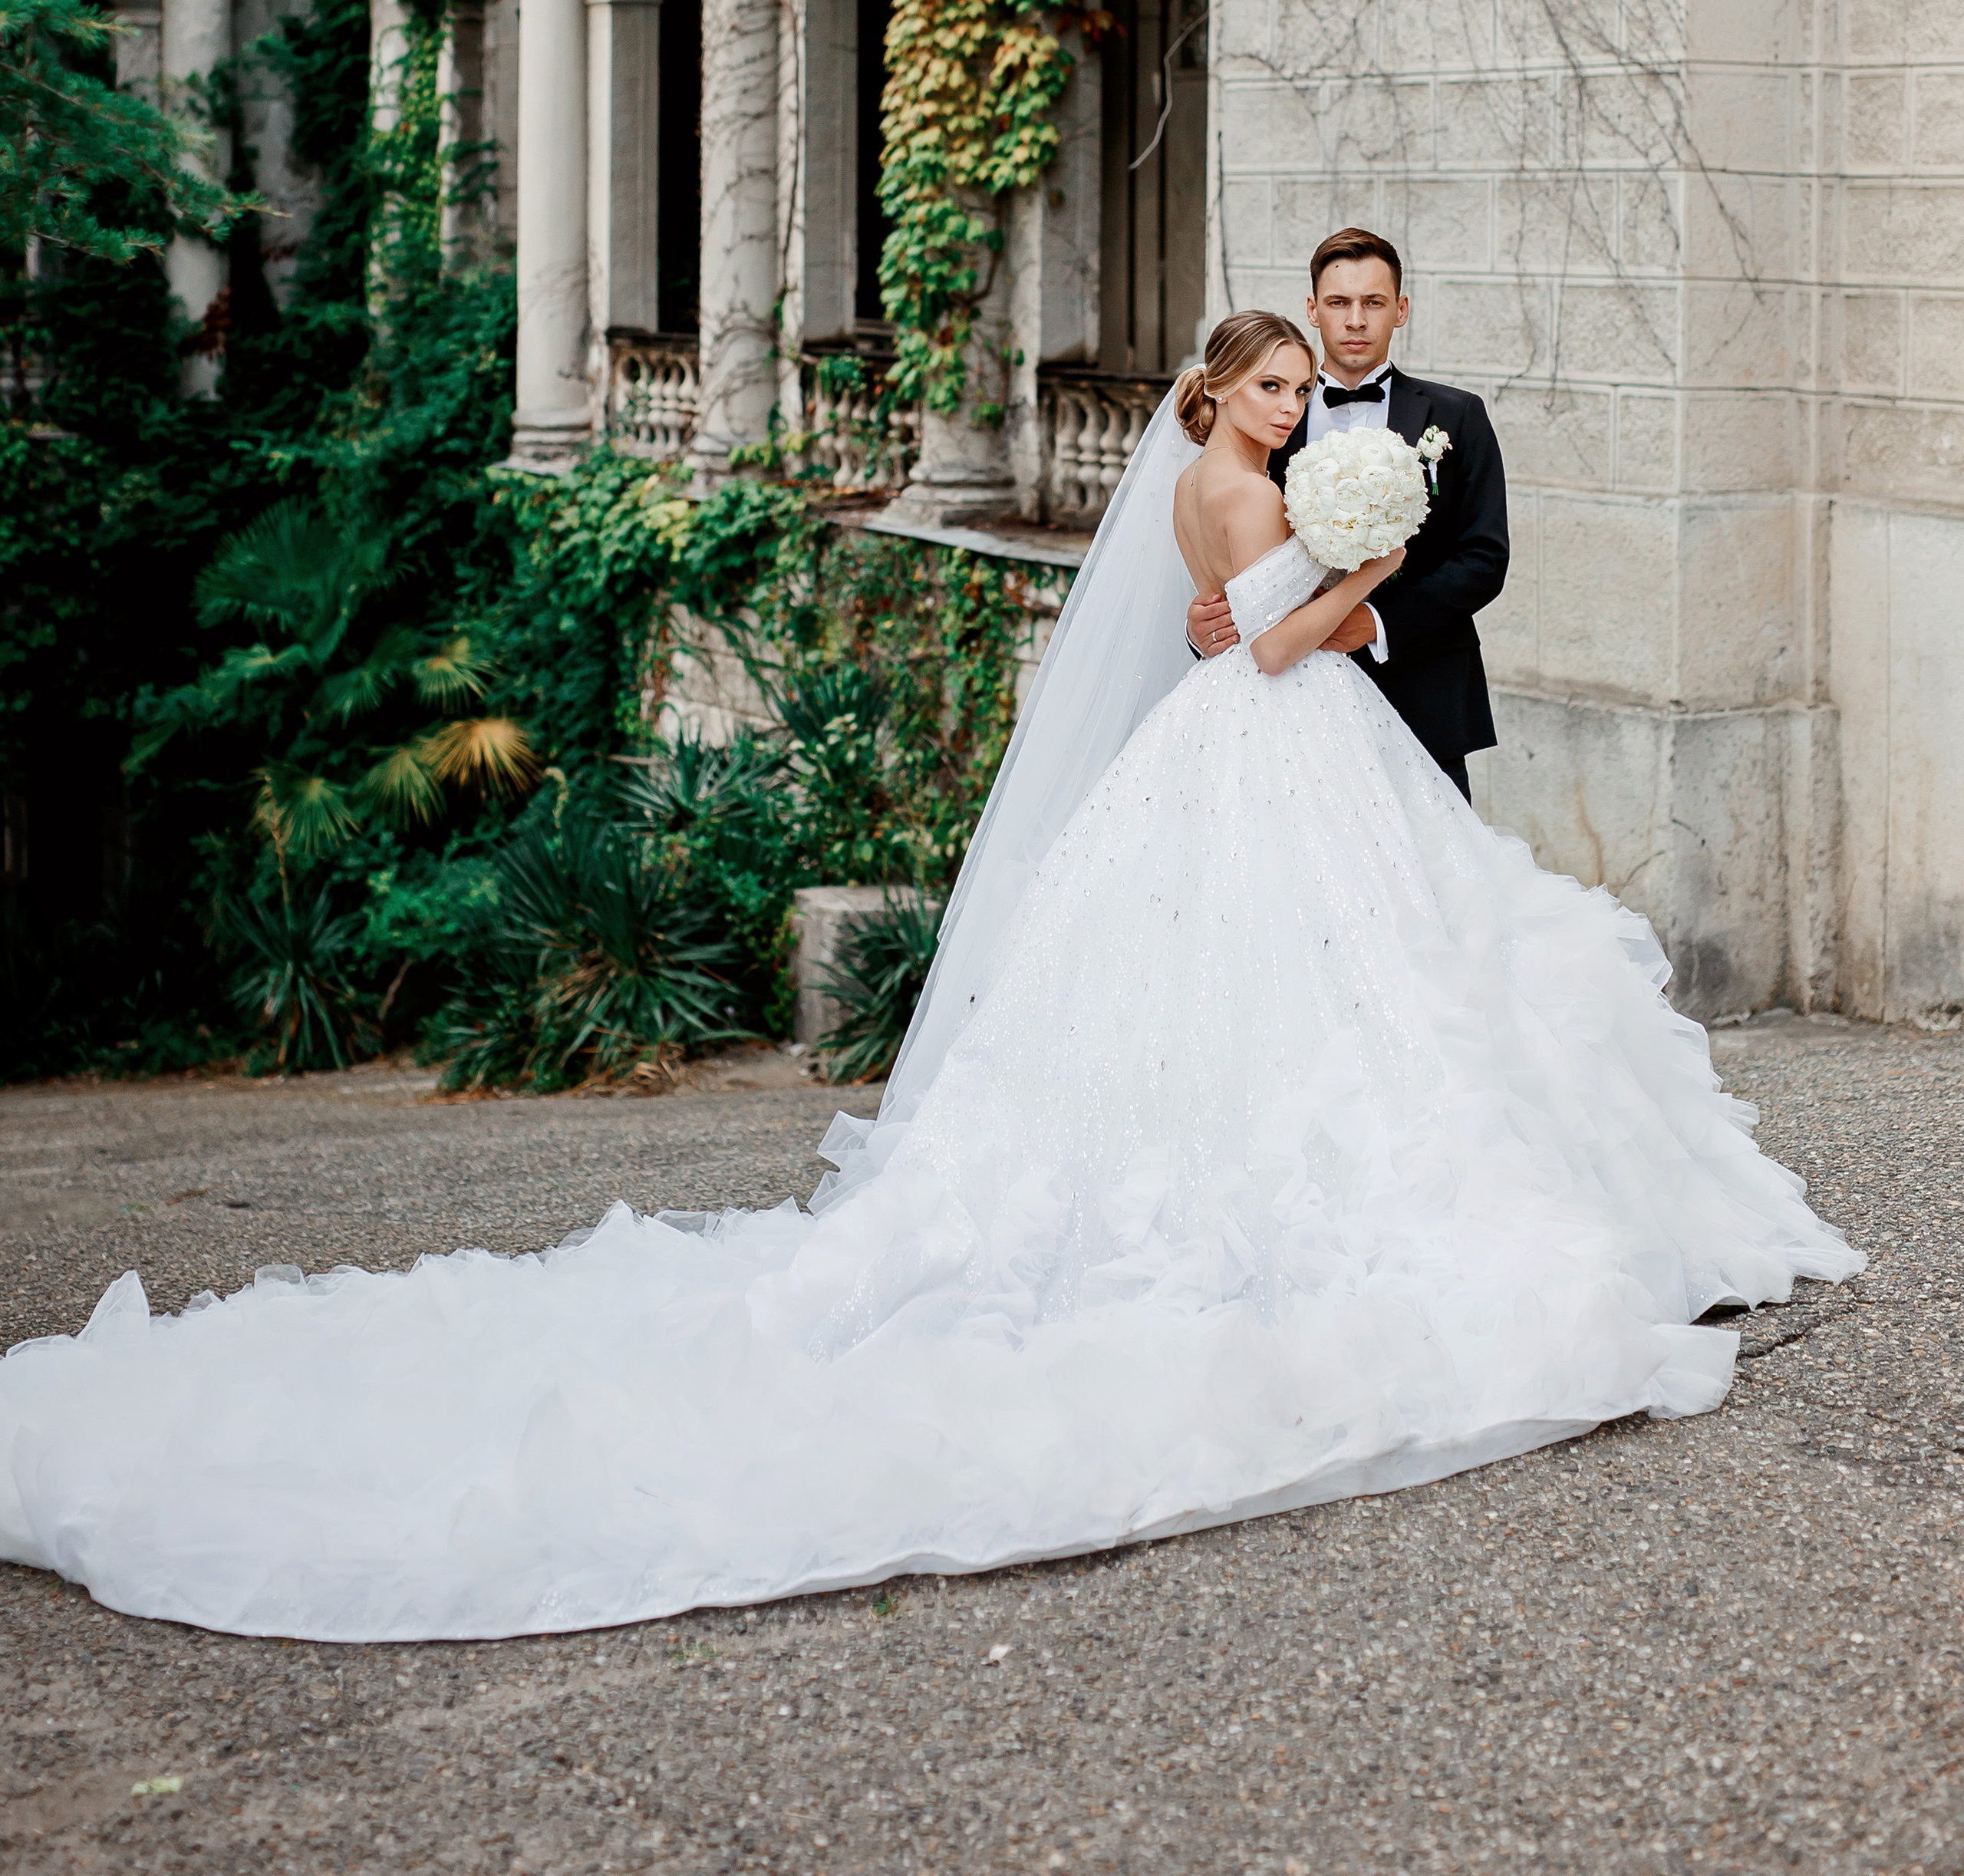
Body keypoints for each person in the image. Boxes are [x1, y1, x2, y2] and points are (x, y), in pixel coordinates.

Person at [0, 315, 1859, 1644]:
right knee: (1298, 987)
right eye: (1276, 382)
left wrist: (1329, 567)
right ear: (1216, 396)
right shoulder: (1228, 487)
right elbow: (1271, 644)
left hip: (1272, 748)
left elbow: (1235, 626)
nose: (1298, 402)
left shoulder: (1236, 477)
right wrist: (1354, 580)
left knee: (1351, 977)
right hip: (1269, 736)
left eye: (1311, 383)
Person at [1188, 227, 1505, 796]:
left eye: (1373, 302)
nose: (1355, 320)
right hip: (1290, 715)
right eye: (1338, 302)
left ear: (1400, 309)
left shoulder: (1458, 417)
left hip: (1423, 695)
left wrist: (1380, 622)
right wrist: (1201, 625)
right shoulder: (1263, 423)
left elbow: (1484, 558)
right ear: (1312, 309)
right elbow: (1230, 554)